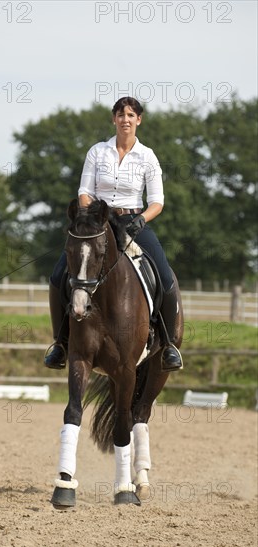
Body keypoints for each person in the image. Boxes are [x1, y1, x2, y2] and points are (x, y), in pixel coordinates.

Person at [44, 96, 183, 371]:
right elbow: (84, 191)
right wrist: (93, 216)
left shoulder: (148, 157)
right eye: (121, 115)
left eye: (131, 115)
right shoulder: (97, 152)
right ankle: (60, 343)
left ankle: (168, 344)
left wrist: (141, 220)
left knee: (165, 275)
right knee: (59, 275)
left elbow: (157, 201)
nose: (125, 120)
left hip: (133, 221)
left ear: (139, 120)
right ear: (114, 119)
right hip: (99, 222)